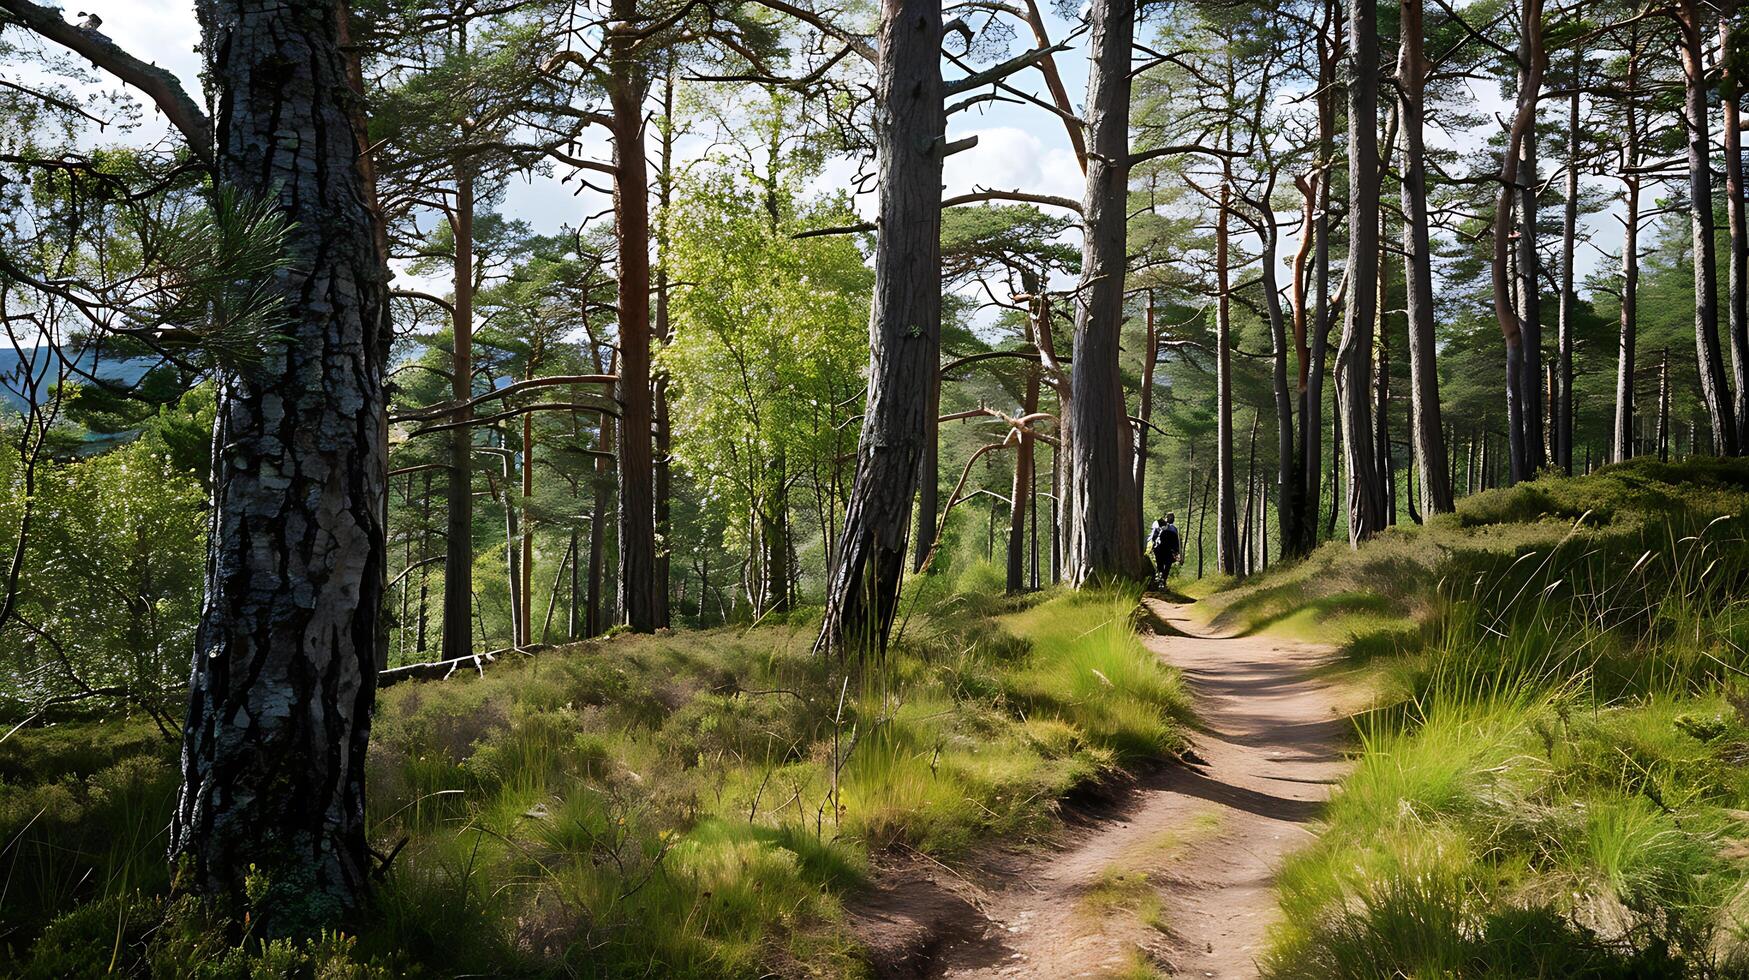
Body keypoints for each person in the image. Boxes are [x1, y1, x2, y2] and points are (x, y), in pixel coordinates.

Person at [1147, 513, 1182, 586]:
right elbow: (1176, 542)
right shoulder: (1174, 529)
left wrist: (1153, 546)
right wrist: (1176, 551)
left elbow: (1154, 536)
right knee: (1167, 565)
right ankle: (1163, 580)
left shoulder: (1160, 525)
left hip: (1160, 548)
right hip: (1168, 549)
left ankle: (1161, 580)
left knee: (1160, 564)